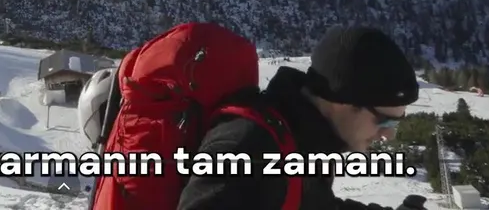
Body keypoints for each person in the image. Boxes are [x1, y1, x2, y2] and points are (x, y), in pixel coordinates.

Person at [178, 26, 423, 210]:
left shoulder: (306, 140)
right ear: (343, 101)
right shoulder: (247, 145)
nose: (389, 134)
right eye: (384, 120)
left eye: (396, 122)